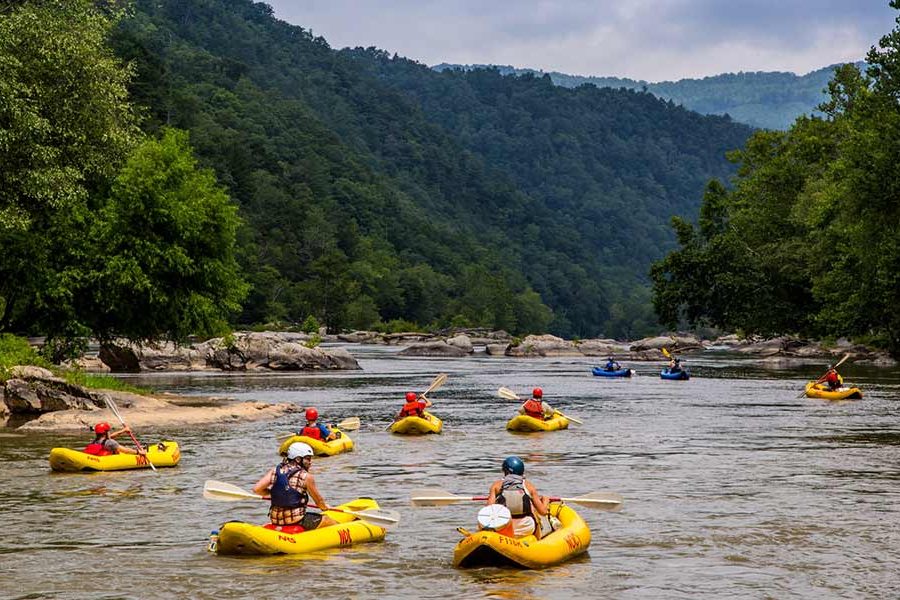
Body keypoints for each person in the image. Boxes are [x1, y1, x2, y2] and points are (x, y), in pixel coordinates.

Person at [253, 442, 337, 529]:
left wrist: (276, 494)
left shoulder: (275, 471)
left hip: (275, 520)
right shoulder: (306, 476)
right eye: (308, 459)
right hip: (296, 520)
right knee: (327, 520)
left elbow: (257, 489)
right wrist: (325, 507)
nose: (310, 462)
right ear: (298, 459)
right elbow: (319, 502)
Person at [486, 456, 551, 538]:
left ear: (505, 471)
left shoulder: (496, 485)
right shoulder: (528, 486)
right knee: (533, 511)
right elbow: (543, 512)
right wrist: (545, 501)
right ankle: (537, 541)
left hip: (503, 527)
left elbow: (488, 510)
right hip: (526, 528)